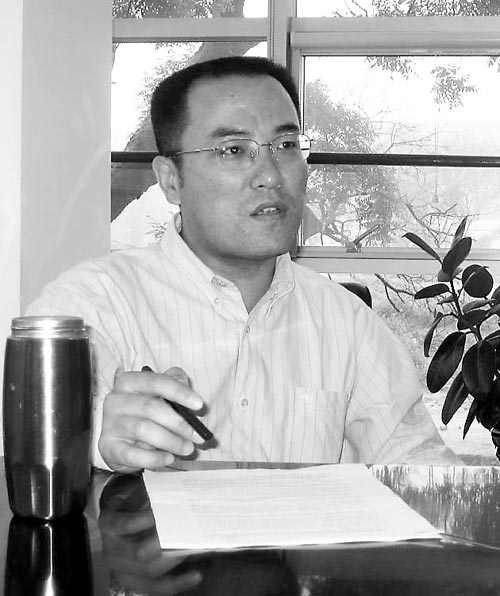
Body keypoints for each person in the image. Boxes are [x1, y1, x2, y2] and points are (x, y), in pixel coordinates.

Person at [27, 56, 459, 472]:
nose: (271, 174)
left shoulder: (348, 325)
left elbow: (421, 470)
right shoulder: (91, 306)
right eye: (233, 149)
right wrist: (98, 440)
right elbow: (33, 436)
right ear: (170, 180)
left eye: (286, 146)